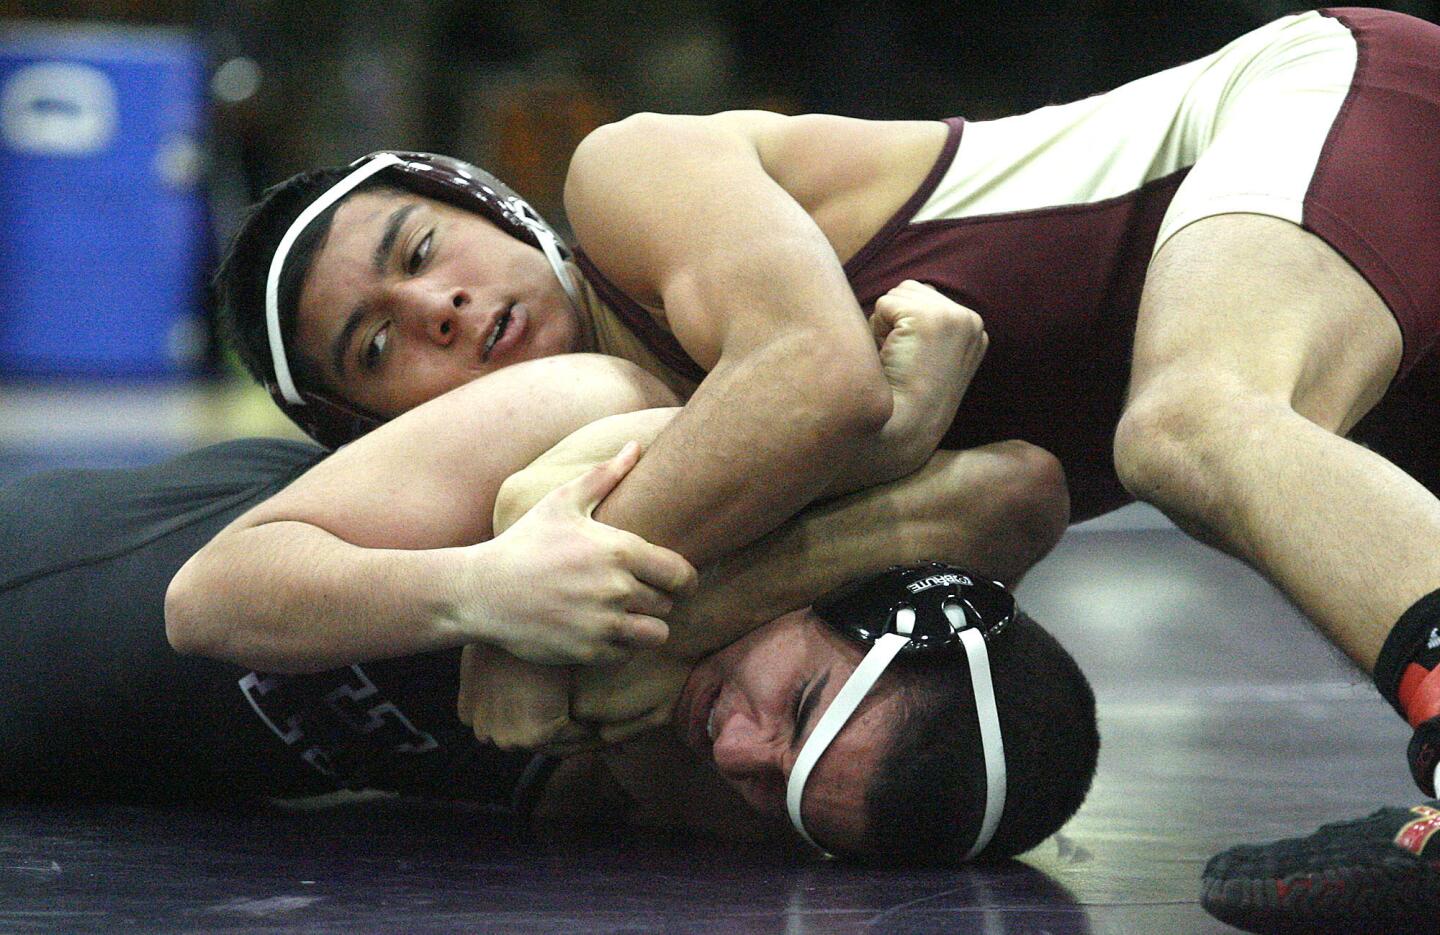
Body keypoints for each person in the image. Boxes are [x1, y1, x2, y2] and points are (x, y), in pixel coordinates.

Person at [212, 7, 1440, 926]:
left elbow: (817, 375)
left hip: (1314, 108)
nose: (438, 304)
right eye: (375, 344)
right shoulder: (673, 428)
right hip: (1365, 305)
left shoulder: (632, 177)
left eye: (425, 246)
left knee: (1195, 422)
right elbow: (1012, 495)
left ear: (496, 208)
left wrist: (516, 610)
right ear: (373, 432)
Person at [1, 397, 1096, 863]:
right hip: (51, 576)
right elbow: (210, 600)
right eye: (803, 700)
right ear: (855, 591)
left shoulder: (737, 782)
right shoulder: (628, 444)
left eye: (784, 786)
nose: (739, 748)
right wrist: (482, 595)